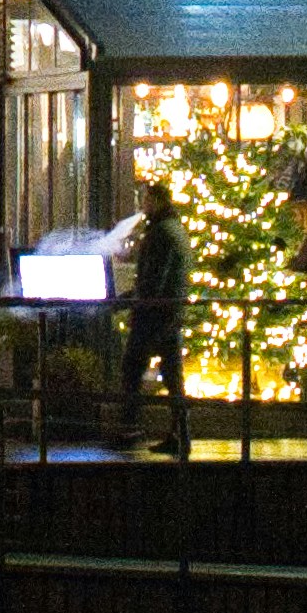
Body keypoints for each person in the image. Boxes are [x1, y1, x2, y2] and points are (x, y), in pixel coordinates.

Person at [121, 184, 192, 454]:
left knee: (132, 367)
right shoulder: (176, 230)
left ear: (158, 200)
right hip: (170, 312)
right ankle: (180, 433)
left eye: (146, 199)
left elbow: (154, 278)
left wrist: (131, 300)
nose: (143, 205)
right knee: (173, 374)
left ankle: (130, 428)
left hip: (153, 314)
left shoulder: (160, 233)